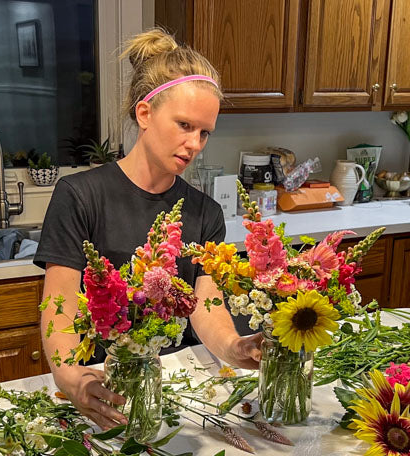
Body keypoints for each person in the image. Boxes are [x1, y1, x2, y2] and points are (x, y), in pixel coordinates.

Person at [35, 28, 262, 430]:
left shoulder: (205, 212)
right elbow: (60, 303)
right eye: (184, 125)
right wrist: (69, 374)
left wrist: (233, 346)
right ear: (145, 114)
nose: (195, 144)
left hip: (177, 386)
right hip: (101, 386)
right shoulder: (80, 195)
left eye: (204, 132)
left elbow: (206, 306)